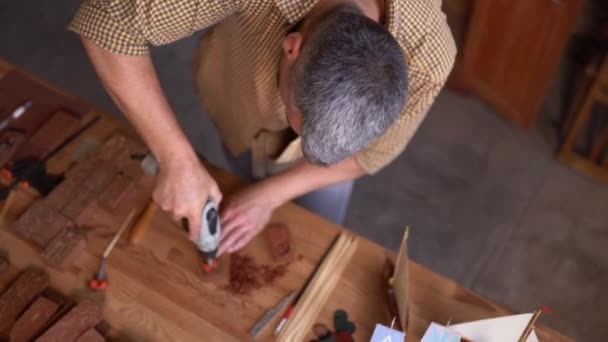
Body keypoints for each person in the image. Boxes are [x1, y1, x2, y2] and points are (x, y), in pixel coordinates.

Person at [68, 0, 455, 255]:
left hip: (327, 173)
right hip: (239, 109)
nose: (298, 150)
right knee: (235, 167)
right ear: (292, 47)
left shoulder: (429, 56)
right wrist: (178, 161)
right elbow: (110, 20)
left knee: (314, 235)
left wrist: (268, 195)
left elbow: (371, 154)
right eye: (296, 120)